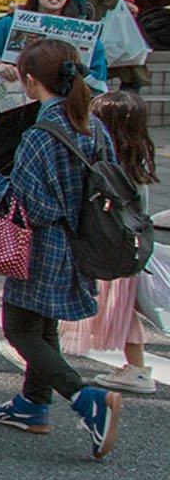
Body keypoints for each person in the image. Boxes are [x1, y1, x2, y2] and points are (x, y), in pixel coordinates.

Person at [0, 38, 122, 459]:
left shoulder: (40, 134)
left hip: (40, 246)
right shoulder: (93, 124)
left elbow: (26, 206)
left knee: (19, 330)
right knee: (42, 324)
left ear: (30, 81)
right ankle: (32, 405)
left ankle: (85, 398)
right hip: (80, 242)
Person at [59, 89, 158, 394]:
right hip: (126, 250)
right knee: (121, 311)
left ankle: (40, 354)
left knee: (70, 294)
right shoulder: (137, 166)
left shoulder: (105, 166)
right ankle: (137, 369)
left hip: (103, 249)